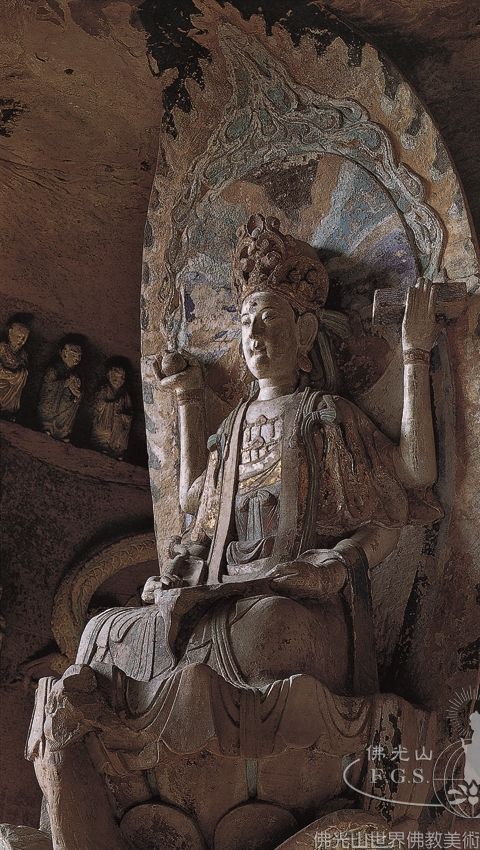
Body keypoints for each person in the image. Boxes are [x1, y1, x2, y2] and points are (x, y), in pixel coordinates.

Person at [28, 214, 441, 850]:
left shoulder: (324, 417)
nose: (254, 336)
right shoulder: (234, 429)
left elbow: (407, 485)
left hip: (291, 603)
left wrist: (415, 353)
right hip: (214, 600)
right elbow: (193, 513)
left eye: (269, 319)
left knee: (270, 629)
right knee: (103, 634)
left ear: (305, 332)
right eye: (245, 322)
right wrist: (189, 402)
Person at [38, 337, 83, 441]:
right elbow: (48, 386)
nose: (77, 359)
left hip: (65, 404)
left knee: (71, 405)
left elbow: (77, 391)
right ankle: (47, 426)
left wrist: (77, 394)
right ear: (64, 353)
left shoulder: (75, 374)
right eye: (74, 355)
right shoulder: (54, 369)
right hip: (52, 404)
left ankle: (62, 431)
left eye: (79, 356)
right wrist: (65, 383)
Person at [91, 359, 133, 459]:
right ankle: (103, 446)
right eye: (115, 378)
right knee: (103, 434)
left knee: (119, 435)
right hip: (105, 421)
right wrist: (111, 404)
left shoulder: (125, 395)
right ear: (109, 376)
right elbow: (97, 405)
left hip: (118, 425)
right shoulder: (104, 390)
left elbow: (130, 412)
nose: (118, 381)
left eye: (121, 378)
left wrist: (123, 415)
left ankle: (116, 450)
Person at [0, 317, 30, 419]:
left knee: (23, 374)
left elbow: (23, 369)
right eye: (18, 336)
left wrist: (19, 374)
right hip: (2, 379)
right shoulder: (2, 347)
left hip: (13, 387)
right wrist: (10, 374)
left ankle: (8, 410)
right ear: (10, 333)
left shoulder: (23, 354)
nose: (21, 341)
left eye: (24, 338)